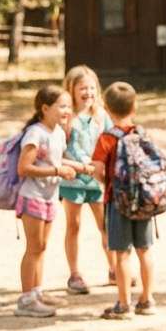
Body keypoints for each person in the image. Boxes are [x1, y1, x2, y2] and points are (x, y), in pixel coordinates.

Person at [90, 82, 156, 319]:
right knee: (144, 250)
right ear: (134, 107)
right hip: (145, 201)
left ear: (106, 109)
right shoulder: (142, 133)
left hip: (117, 202)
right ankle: (147, 299)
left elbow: (98, 170)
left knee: (121, 253)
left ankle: (123, 303)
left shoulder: (107, 139)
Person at [14, 85, 78, 318]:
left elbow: (58, 160)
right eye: (62, 106)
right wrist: (57, 171)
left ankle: (37, 292)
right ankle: (26, 300)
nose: (67, 111)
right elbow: (24, 168)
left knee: (41, 247)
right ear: (45, 108)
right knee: (33, 249)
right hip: (33, 197)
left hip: (50, 197)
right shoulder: (35, 134)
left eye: (69, 106)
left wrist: (80, 167)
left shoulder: (58, 132)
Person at [58, 65, 115, 294]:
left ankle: (114, 268)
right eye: (83, 88)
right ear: (71, 90)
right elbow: (60, 150)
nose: (88, 93)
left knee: (106, 226)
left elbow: (111, 142)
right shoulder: (65, 118)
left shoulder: (102, 116)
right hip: (72, 181)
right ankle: (74, 273)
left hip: (98, 181)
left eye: (92, 88)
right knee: (74, 225)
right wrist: (81, 165)